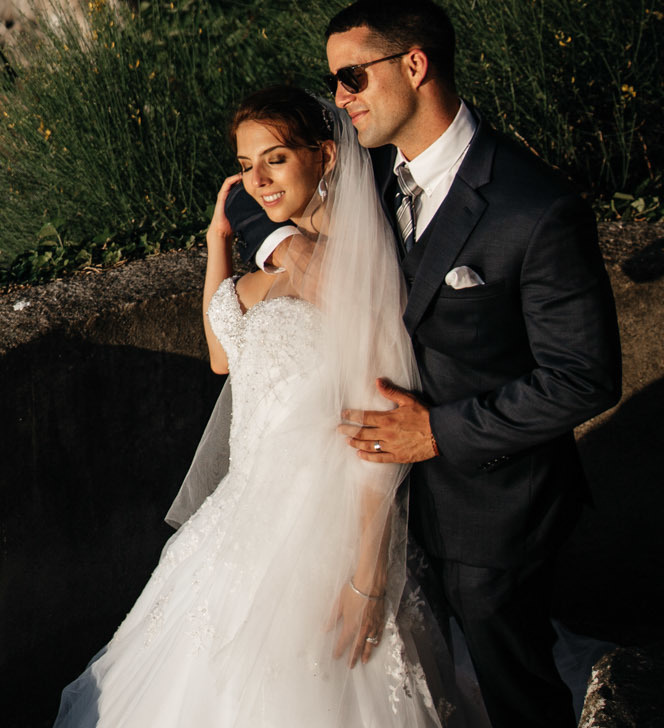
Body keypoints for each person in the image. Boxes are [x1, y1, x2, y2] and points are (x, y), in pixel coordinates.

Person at [228, 0, 623, 728]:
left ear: (415, 64)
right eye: (336, 84)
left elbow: (584, 377)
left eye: (352, 78)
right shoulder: (367, 174)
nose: (339, 99)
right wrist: (289, 245)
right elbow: (254, 195)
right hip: (382, 512)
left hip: (491, 513)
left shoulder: (533, 209)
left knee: (514, 697)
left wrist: (437, 432)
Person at [55, 84, 466, 728]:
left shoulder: (349, 271)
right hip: (240, 513)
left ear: (326, 156)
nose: (259, 179)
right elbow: (223, 354)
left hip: (319, 529)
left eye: (275, 159)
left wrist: (367, 576)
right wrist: (221, 240)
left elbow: (378, 433)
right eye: (247, 165)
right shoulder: (279, 259)